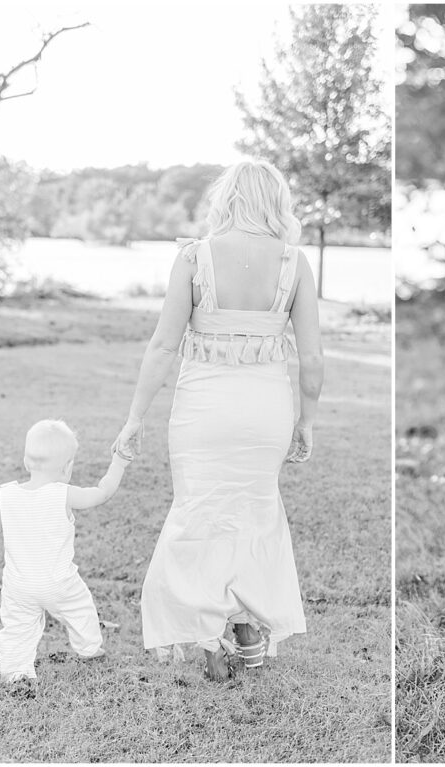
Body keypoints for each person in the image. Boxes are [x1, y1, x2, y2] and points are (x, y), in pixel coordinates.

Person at [113, 160, 324, 681]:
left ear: (225, 199)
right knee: (255, 515)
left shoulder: (193, 257)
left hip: (202, 411)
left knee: (199, 515)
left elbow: (164, 344)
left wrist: (135, 417)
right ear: (276, 202)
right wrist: (306, 421)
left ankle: (209, 638)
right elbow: (313, 358)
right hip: (265, 411)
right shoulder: (294, 262)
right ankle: (249, 629)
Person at [0, 418, 135, 683]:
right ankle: (89, 648)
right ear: (67, 468)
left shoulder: (8, 494)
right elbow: (102, 493)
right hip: (58, 583)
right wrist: (118, 463)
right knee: (81, 608)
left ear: (26, 461)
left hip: (19, 584)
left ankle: (16, 672)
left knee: (18, 627)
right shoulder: (63, 493)